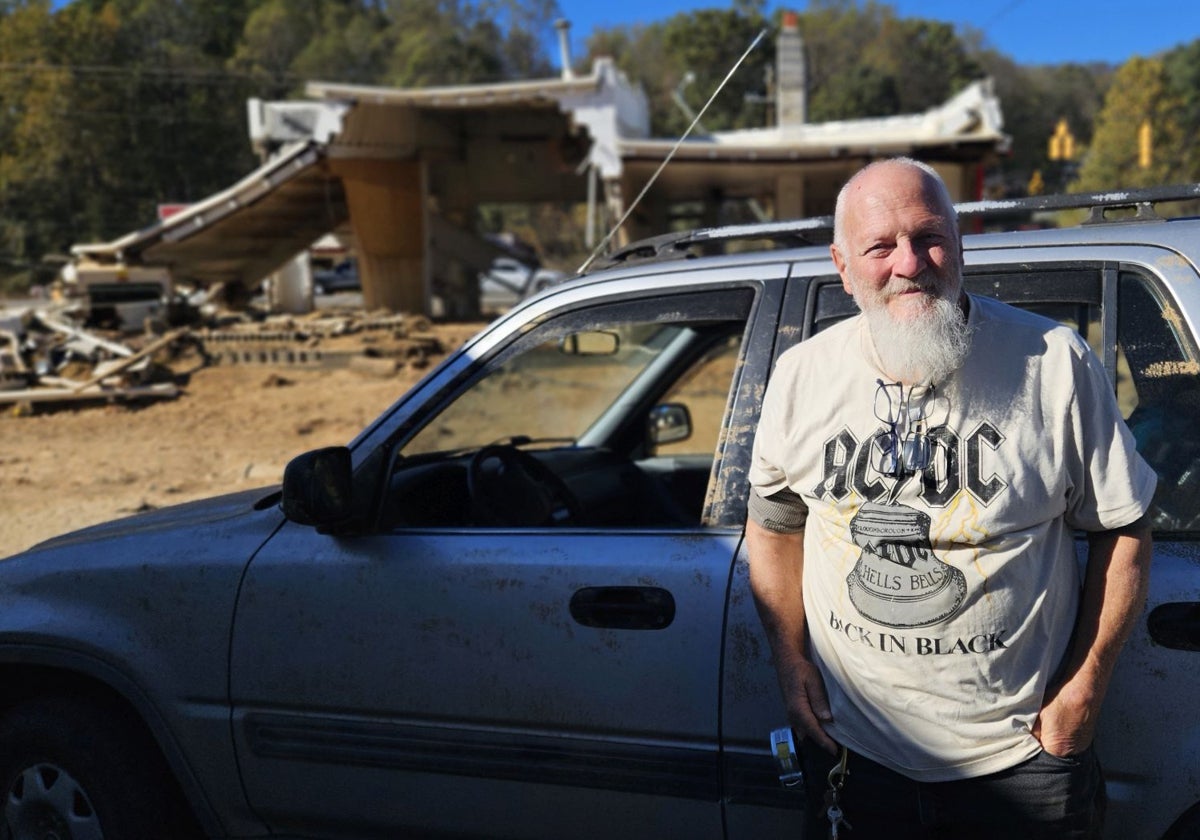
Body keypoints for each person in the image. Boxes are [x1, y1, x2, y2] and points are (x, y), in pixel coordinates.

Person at [746, 157, 1156, 839]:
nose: (910, 263)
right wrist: (791, 665)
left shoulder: (1053, 362)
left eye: (929, 236)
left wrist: (1083, 692)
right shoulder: (801, 376)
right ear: (843, 267)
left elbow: (1124, 526)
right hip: (855, 753)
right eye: (880, 246)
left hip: (1022, 760)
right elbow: (773, 524)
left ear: (960, 246)